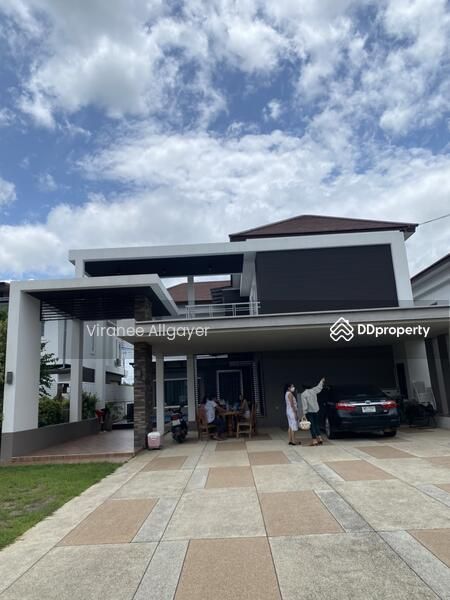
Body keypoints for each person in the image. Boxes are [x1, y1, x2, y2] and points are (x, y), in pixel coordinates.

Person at [301, 378, 325, 446]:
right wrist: (322, 381)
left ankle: (314, 440)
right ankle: (320, 438)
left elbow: (305, 405)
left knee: (312, 426)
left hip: (309, 412)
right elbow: (319, 387)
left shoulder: (303, 394)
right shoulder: (314, 390)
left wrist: (304, 414)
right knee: (316, 424)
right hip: (316, 410)